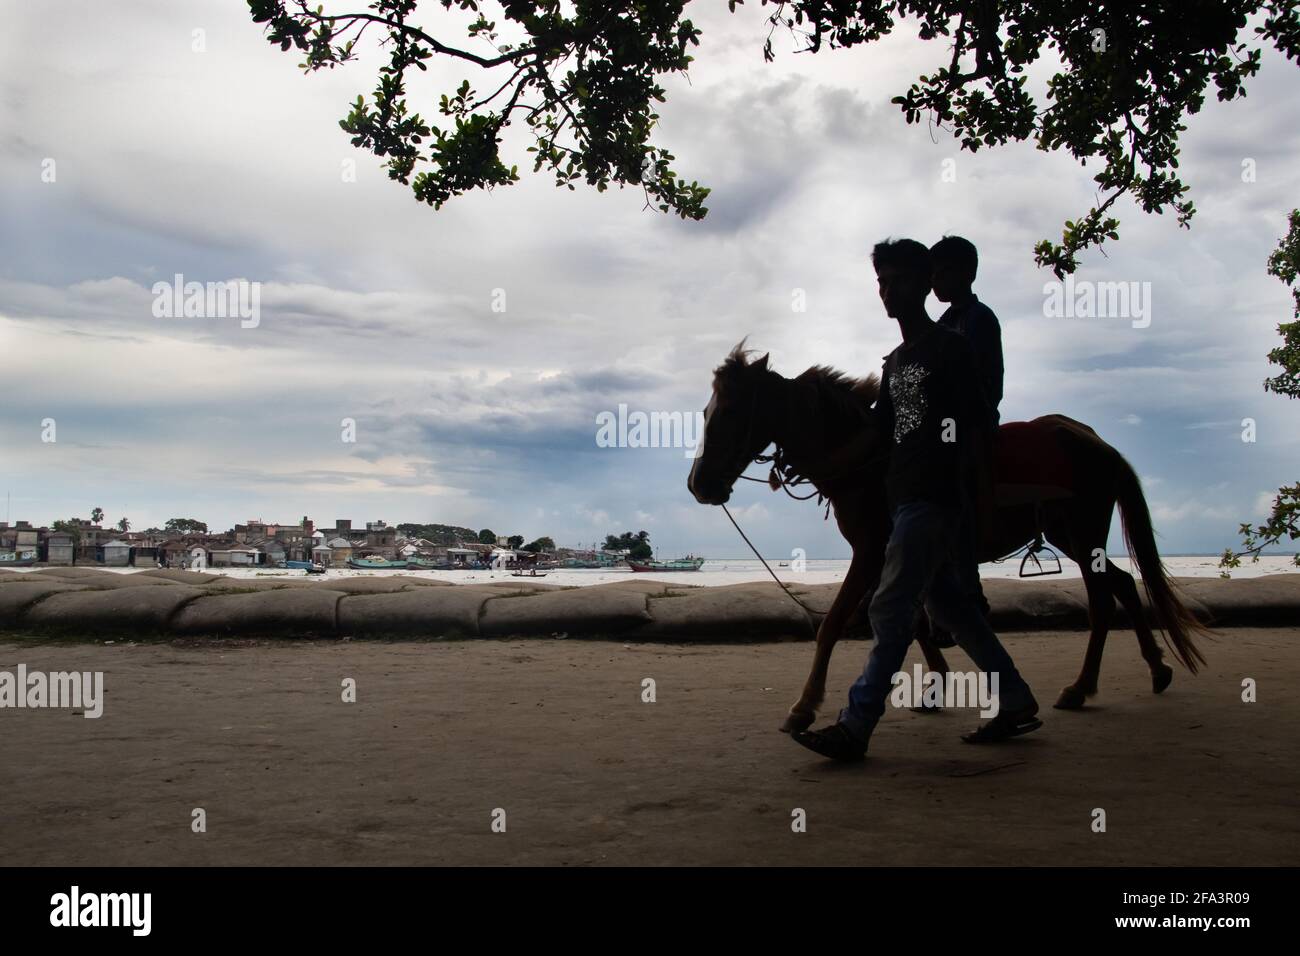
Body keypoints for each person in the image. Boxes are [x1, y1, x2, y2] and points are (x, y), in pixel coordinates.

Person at [793, 239, 1040, 762]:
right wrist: (819, 467)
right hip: (905, 495)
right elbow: (878, 433)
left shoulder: (950, 350)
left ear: (926, 284)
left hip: (934, 496)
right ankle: (1015, 698)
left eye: (899, 280)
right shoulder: (896, 360)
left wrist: (968, 494)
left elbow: (977, 421)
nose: (888, 291)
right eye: (882, 281)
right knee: (953, 611)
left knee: (888, 606)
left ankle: (855, 726)